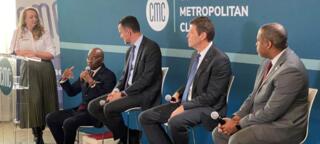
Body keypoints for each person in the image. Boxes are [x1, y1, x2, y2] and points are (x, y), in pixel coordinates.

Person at [139, 16, 232, 144]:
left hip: (208, 108)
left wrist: (184, 107)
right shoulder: (195, 55)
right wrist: (179, 92)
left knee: (175, 122)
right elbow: (193, 81)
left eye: (191, 32)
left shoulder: (220, 60)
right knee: (145, 117)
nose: (187, 35)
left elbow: (212, 96)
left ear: (202, 35)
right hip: (188, 104)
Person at [213, 23, 309, 144]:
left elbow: (271, 112)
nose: (255, 44)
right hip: (265, 120)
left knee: (238, 139)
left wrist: (238, 125)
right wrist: (237, 118)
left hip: (284, 127)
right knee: (219, 134)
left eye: (258, 41)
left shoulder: (290, 70)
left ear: (268, 44)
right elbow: (253, 95)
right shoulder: (267, 62)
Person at [88, 16, 162, 144]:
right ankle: (129, 135)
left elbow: (147, 79)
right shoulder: (130, 51)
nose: (121, 36)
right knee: (93, 106)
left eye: (121, 32)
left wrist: (122, 94)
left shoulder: (151, 48)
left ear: (129, 32)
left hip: (143, 94)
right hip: (128, 93)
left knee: (109, 108)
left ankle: (126, 139)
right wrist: (115, 90)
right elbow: (123, 77)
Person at [46, 48, 116, 144]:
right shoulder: (85, 73)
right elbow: (72, 92)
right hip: (80, 110)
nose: (90, 60)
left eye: (94, 58)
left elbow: (104, 97)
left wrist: (91, 81)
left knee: (68, 123)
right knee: (51, 118)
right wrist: (64, 79)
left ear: (101, 60)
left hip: (95, 114)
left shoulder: (109, 75)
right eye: (88, 57)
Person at [9, 7, 58, 144]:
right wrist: (25, 53)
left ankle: (43, 130)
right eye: (31, 17)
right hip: (29, 70)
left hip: (45, 69)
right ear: (24, 19)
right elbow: (13, 51)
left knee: (46, 102)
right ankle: (37, 134)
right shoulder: (18, 33)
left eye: (35, 16)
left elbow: (51, 53)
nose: (34, 19)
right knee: (33, 102)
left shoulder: (44, 32)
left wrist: (34, 53)